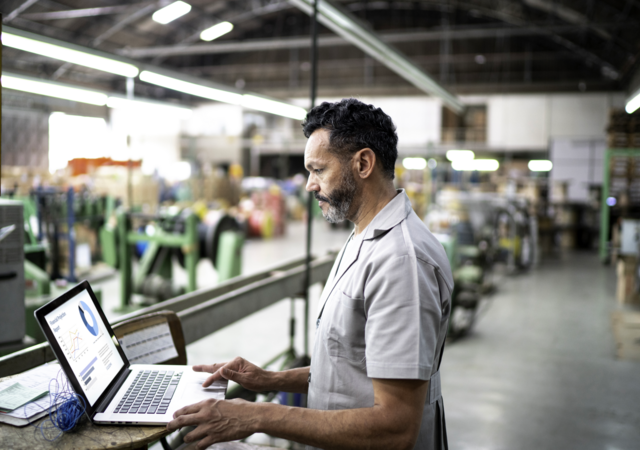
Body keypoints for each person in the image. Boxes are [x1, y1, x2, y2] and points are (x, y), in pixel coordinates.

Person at [167, 98, 453, 450]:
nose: (309, 185)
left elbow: (396, 427)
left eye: (318, 170)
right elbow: (352, 369)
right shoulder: (365, 234)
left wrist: (258, 416)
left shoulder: (401, 261)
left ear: (363, 163)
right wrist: (271, 378)